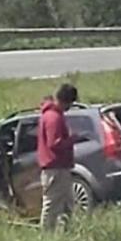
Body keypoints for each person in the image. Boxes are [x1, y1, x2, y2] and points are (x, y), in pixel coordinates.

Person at [37, 83, 79, 231]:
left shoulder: (53, 115)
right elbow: (54, 143)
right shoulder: (53, 117)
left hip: (61, 167)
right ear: (66, 101)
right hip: (55, 169)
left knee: (67, 204)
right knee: (52, 205)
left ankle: (65, 233)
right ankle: (46, 236)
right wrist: (72, 139)